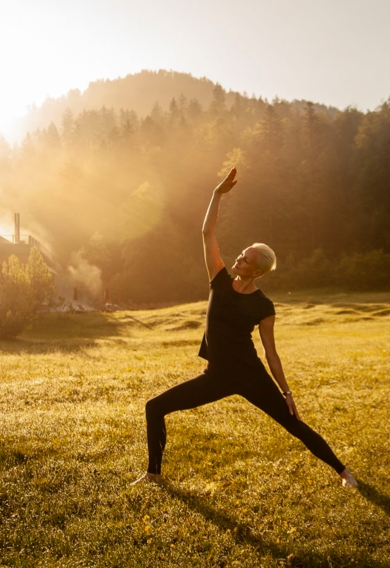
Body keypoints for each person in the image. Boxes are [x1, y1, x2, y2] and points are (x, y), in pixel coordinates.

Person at [133, 167, 357, 488]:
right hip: (216, 377)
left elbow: (271, 353)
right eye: (241, 254)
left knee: (294, 424)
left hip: (251, 376)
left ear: (257, 271)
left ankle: (344, 472)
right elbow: (207, 234)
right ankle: (153, 474)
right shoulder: (219, 280)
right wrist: (217, 194)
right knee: (154, 407)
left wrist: (287, 393)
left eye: (246, 259)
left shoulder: (263, 306)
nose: (239, 258)